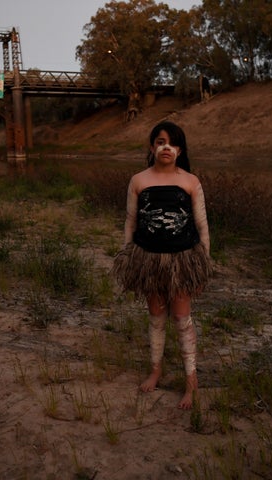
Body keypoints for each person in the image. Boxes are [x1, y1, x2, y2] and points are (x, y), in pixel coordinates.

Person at [112, 121, 213, 410]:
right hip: (148, 260)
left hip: (182, 261)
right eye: (160, 141)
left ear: (180, 150)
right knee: (155, 315)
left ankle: (191, 382)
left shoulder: (191, 182)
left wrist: (203, 264)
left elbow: (202, 227)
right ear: (152, 147)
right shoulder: (139, 181)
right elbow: (130, 222)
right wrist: (128, 256)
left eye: (172, 143)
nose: (165, 147)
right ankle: (156, 370)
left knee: (182, 318)